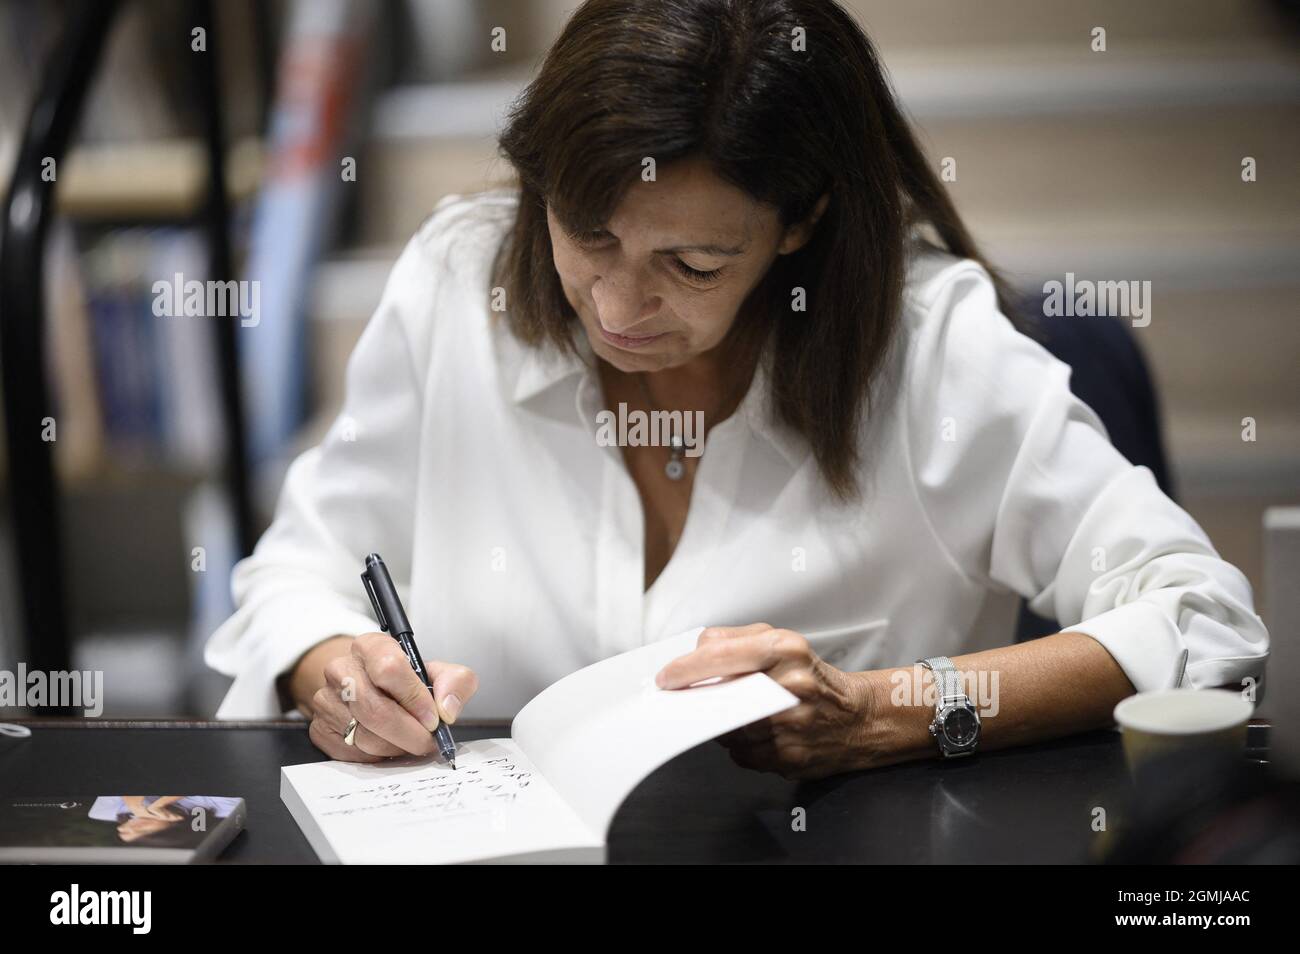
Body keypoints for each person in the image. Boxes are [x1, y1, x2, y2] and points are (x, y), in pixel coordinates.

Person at [205, 0, 1267, 779]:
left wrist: (888, 710)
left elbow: (1201, 616)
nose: (617, 306)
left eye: (693, 266)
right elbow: (296, 575)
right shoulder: (455, 283)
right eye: (588, 233)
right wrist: (329, 668)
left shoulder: (931, 350)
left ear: (798, 224)